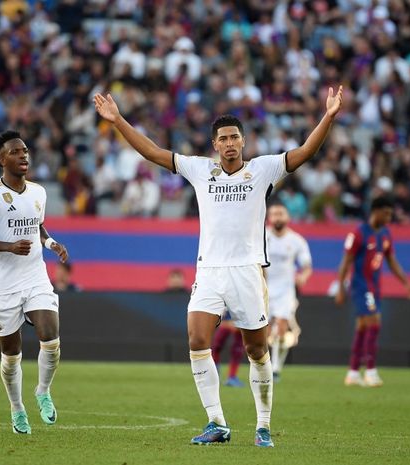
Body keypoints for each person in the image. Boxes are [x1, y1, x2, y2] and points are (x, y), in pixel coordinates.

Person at [94, 85, 343, 447]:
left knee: (257, 350)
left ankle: (262, 425)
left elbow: (305, 151)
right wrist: (118, 121)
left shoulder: (263, 170)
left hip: (247, 270)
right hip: (208, 270)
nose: (229, 143)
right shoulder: (200, 170)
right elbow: (153, 152)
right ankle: (217, 422)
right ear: (215, 144)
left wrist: (329, 116)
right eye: (223, 138)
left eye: (234, 137)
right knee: (197, 340)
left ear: (243, 142)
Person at [0, 130, 68, 435]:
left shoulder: (39, 192)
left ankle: (42, 391)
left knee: (50, 337)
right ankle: (17, 408)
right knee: (11, 355)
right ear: (2, 159)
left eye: (25, 150)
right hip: (4, 285)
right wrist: (8, 247)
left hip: (35, 277)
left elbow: (38, 227)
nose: (23, 155)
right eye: (15, 152)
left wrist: (52, 245)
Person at [335, 196, 410, 387]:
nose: (389, 217)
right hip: (361, 286)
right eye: (386, 213)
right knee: (375, 322)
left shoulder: (386, 234)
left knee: (363, 327)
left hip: (375, 286)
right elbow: (345, 261)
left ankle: (353, 373)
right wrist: (340, 287)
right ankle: (370, 371)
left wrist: (407, 283)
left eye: (391, 214)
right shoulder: (358, 233)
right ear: (376, 211)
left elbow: (392, 261)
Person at [265, 203, 312, 382]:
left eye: (281, 214)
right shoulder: (262, 237)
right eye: (274, 214)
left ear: (287, 217)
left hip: (285, 290)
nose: (277, 217)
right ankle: (266, 364)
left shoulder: (296, 240)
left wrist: (303, 276)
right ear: (269, 218)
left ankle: (275, 368)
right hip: (265, 289)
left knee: (282, 326)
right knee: (266, 331)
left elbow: (306, 266)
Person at [210, 312, 245, 387]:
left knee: (237, 350)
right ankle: (215, 375)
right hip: (226, 319)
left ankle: (232, 377)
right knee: (216, 346)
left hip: (241, 320)